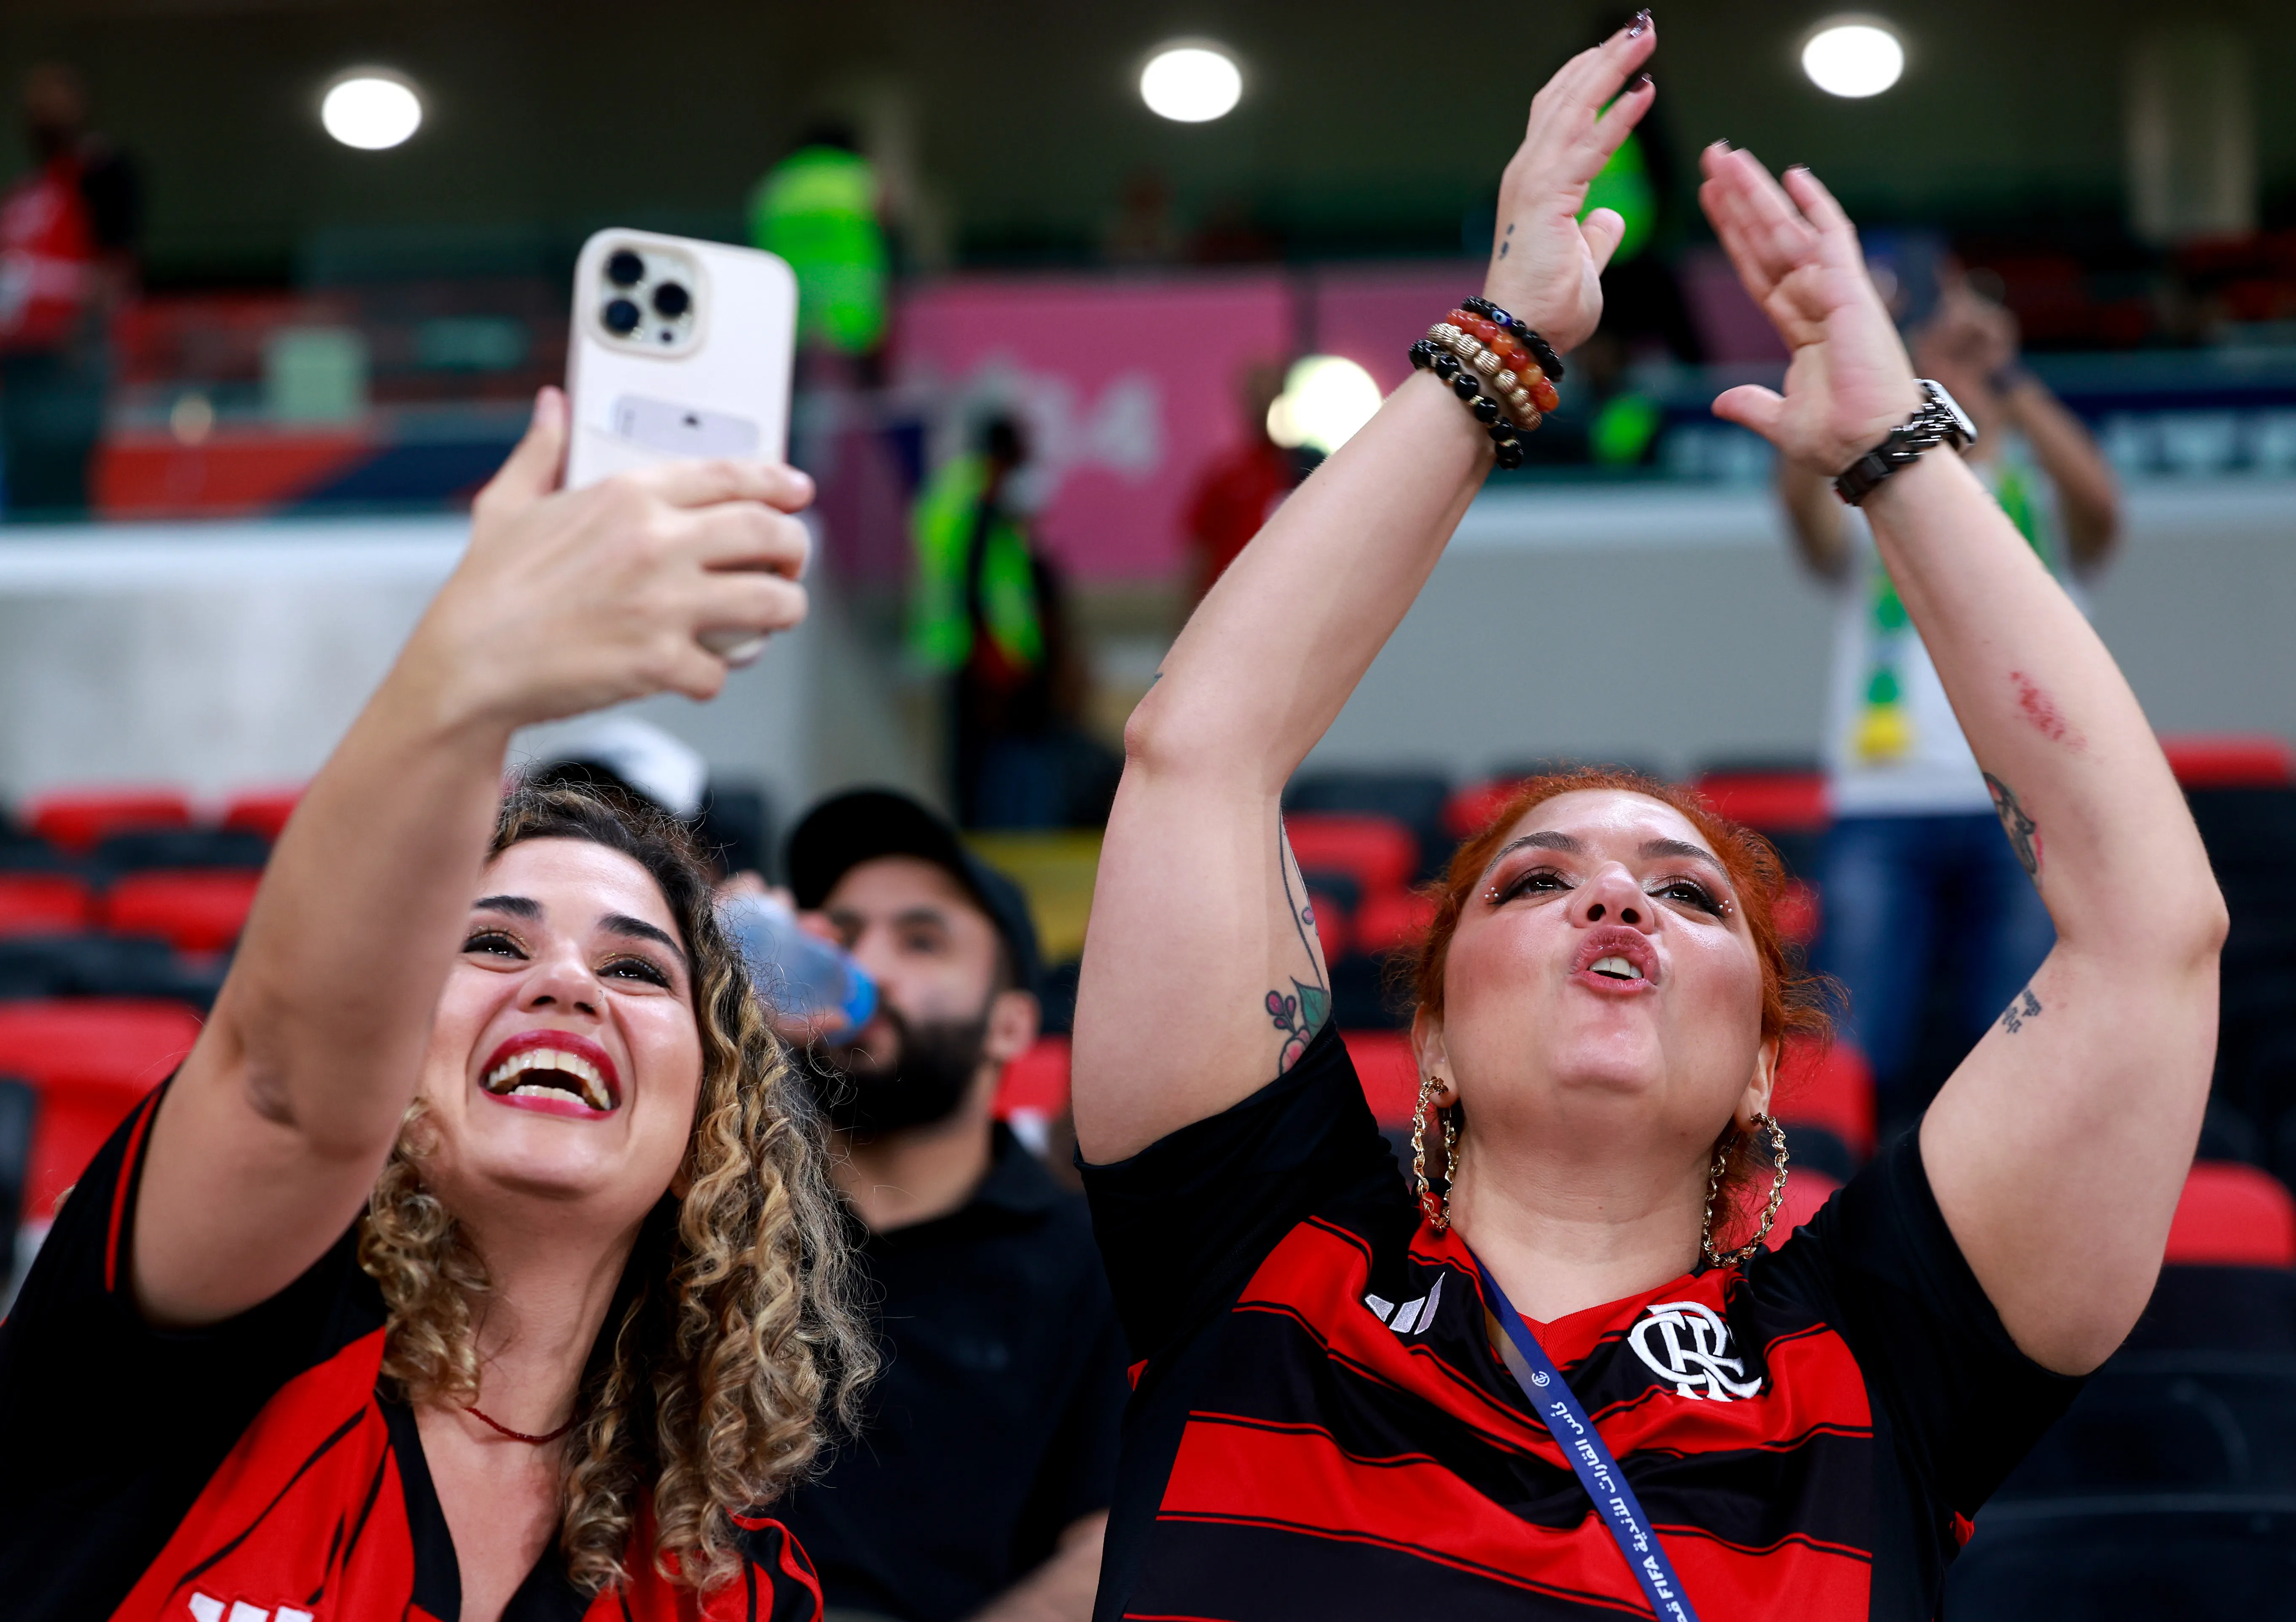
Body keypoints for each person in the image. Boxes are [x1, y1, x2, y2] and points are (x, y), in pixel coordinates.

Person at [1069, 20, 2224, 1622]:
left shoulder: (1879, 1357)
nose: (1614, 898)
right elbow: (1201, 743)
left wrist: (1901, 454)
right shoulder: (1258, 1247)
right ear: (1437, 1039)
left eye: (1687, 895)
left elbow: (2148, 936)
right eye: (1535, 879)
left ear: (1763, 1055)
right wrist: (1503, 342)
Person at [0, 388, 875, 1622]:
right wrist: (473, 665)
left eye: (635, 968)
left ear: (714, 1119)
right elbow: (284, 1091)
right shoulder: (220, 1340)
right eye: (491, 942)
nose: (565, 981)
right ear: (390, 1033)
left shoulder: (722, 1590)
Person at [1778, 261, 2122, 1131]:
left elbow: (2103, 512)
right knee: (1851, 1047)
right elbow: (1807, 527)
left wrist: (2010, 380)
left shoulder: (2034, 487)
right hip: (1883, 799)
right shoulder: (1878, 483)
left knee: (2015, 1053)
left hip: (2024, 804)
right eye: (1943, 353)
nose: (1959, 365)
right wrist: (1847, 383)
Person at [771, 788, 1127, 1622]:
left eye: (921, 940)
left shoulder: (1092, 1265)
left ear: (1009, 1024)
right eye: (841, 935)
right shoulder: (710, 1217)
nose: (865, 970)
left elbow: (1105, 1547)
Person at [0, 62, 140, 517]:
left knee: (61, 478)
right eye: (36, 108)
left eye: (55, 105)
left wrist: (85, 333)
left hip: (68, 357)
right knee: (26, 478)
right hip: (21, 359)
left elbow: (115, 264)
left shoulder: (102, 173)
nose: (43, 116)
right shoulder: (27, 194)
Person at [1180, 359, 1296, 608]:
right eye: (1258, 396)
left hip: (1293, 598)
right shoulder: (1226, 473)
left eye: (1273, 393)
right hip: (1231, 604)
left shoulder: (1310, 466)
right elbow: (1201, 552)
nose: (1265, 405)